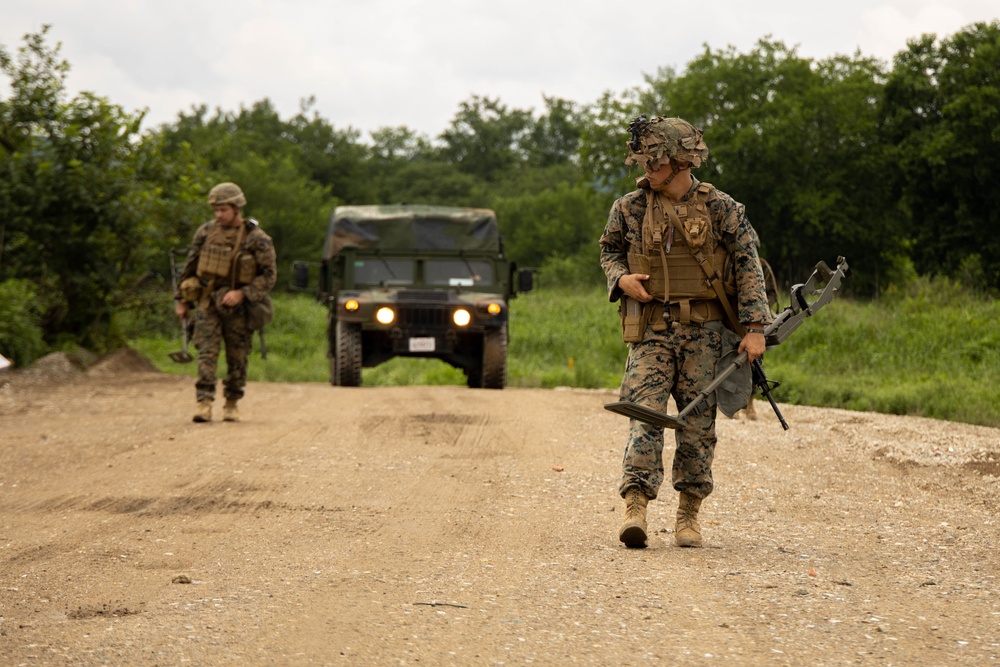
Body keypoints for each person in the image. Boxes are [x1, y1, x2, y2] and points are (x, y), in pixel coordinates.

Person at [598, 116, 772, 548]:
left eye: (653, 163)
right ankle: (635, 507)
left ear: (680, 163)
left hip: (705, 333)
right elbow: (609, 251)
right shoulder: (630, 207)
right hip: (652, 328)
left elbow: (750, 265)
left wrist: (754, 329)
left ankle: (688, 515)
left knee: (697, 426)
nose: (645, 172)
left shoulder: (721, 208)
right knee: (644, 416)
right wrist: (621, 280)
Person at [174, 182, 277, 423]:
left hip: (239, 307)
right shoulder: (206, 232)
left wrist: (242, 293)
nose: (219, 215)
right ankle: (204, 402)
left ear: (237, 207)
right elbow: (189, 267)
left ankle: (231, 402)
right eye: (216, 210)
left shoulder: (256, 238)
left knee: (237, 356)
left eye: (223, 210)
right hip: (208, 302)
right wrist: (180, 300)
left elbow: (269, 275)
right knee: (206, 353)